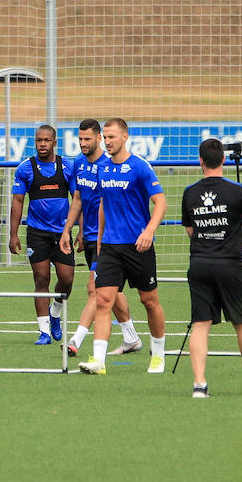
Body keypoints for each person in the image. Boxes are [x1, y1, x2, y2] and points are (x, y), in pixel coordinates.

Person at [181, 138, 242, 398]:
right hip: (230, 265)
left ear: (200, 161)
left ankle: (199, 384)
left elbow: (190, 230)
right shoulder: (238, 191)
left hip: (200, 263)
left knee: (200, 324)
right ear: (223, 159)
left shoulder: (190, 192)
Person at [79, 118, 167, 376]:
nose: (107, 142)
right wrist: (99, 242)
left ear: (125, 137)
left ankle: (158, 355)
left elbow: (161, 203)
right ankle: (98, 360)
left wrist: (149, 232)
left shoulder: (140, 167)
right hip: (110, 247)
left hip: (138, 247)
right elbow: (104, 205)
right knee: (103, 300)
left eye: (112, 137)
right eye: (105, 137)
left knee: (149, 302)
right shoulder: (102, 168)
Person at [58, 118, 143, 358]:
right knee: (110, 291)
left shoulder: (109, 165)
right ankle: (131, 338)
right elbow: (78, 199)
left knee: (94, 288)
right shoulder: (79, 164)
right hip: (89, 237)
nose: (83, 143)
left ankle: (75, 340)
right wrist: (68, 230)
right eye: (80, 139)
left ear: (99, 138)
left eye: (87, 139)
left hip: (107, 239)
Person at [9, 124, 75, 344]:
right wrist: (13, 234)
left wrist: (81, 232)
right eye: (39, 140)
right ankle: (44, 331)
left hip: (63, 234)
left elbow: (78, 200)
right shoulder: (25, 168)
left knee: (67, 279)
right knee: (41, 278)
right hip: (37, 233)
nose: (42, 144)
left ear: (55, 142)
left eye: (47, 140)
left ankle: (55, 313)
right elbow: (18, 202)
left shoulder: (67, 166)